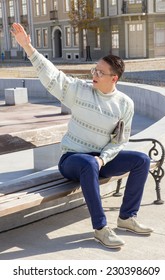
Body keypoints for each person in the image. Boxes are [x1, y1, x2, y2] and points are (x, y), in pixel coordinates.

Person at [11, 23, 153, 249]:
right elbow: (53, 76)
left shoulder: (125, 104)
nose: (94, 74)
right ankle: (100, 229)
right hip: (73, 160)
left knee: (142, 160)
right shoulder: (80, 91)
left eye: (100, 72)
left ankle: (127, 217)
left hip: (99, 160)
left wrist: (103, 158)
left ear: (114, 78)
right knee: (87, 162)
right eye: (94, 70)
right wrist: (28, 48)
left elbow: (119, 141)